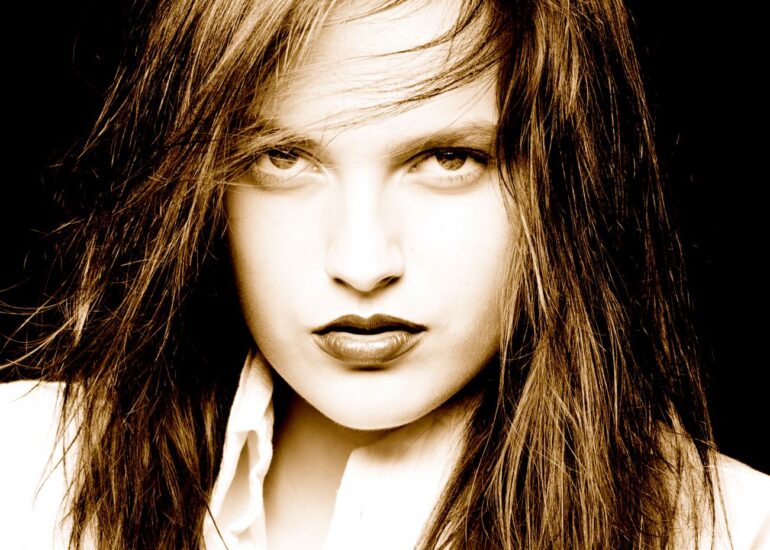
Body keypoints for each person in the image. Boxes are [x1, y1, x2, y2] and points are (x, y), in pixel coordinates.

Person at [1, 0, 768, 548]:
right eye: (283, 158)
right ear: (204, 191)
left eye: (448, 158)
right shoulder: (22, 473)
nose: (362, 263)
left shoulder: (732, 529)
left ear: (566, 180)